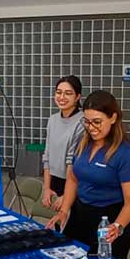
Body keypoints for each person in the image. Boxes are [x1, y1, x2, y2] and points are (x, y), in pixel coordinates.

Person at [47, 90, 130, 259]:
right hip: (80, 216)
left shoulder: (125, 154)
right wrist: (64, 211)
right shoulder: (82, 144)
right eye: (87, 122)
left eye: (97, 122)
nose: (91, 128)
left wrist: (117, 226)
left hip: (108, 221)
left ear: (113, 118)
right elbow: (73, 178)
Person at [41, 75, 84, 209]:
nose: (62, 97)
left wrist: (67, 193)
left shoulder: (82, 121)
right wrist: (46, 188)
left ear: (77, 97)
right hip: (54, 181)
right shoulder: (52, 120)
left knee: (70, 227)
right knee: (57, 225)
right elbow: (46, 156)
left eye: (68, 93)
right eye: (59, 92)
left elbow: (73, 161)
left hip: (74, 183)